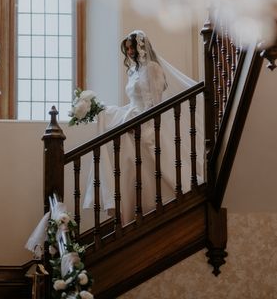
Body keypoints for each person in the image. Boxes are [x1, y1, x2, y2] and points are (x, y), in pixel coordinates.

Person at [83, 30, 202, 224]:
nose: (129, 52)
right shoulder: (134, 71)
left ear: (140, 47)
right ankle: (129, 213)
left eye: (132, 48)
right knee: (120, 153)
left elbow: (153, 104)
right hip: (133, 116)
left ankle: (147, 209)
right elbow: (134, 101)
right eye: (127, 49)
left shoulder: (152, 68)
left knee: (139, 159)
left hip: (146, 123)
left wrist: (138, 122)